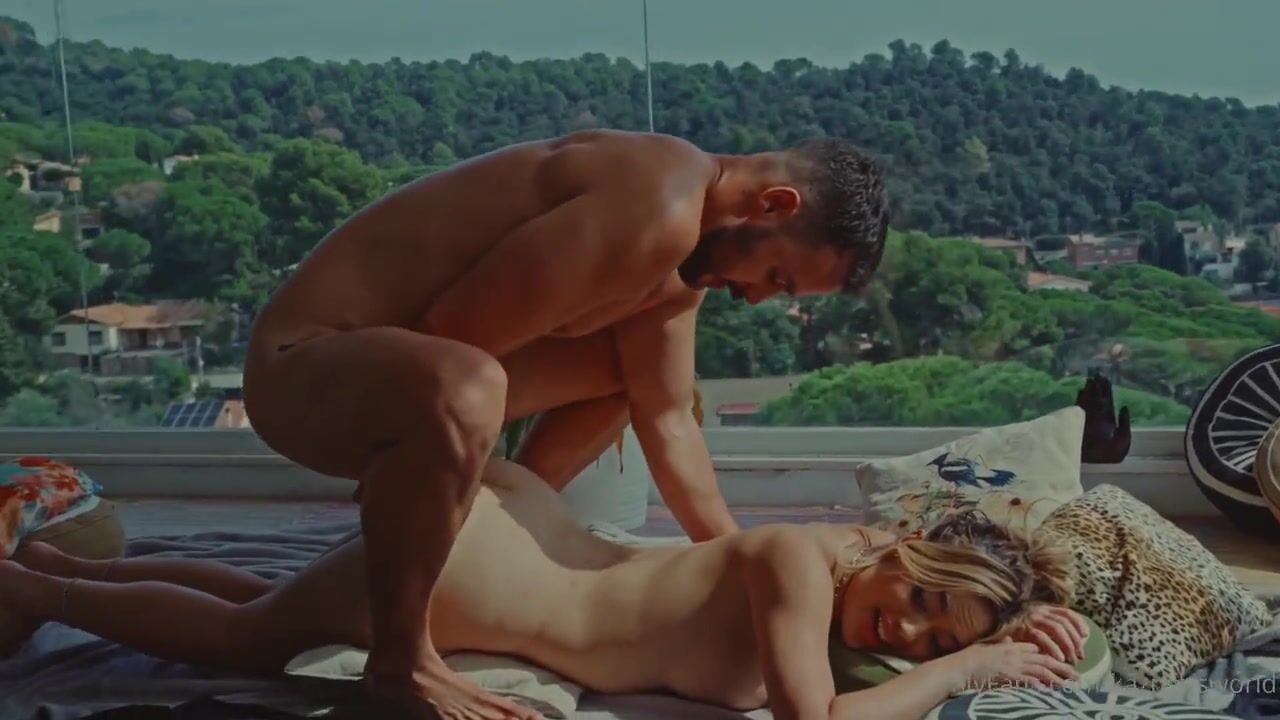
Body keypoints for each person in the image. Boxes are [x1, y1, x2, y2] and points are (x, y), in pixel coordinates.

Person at [239, 129, 891, 716]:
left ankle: (494, 526)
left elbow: (666, 416)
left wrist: (743, 564)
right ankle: (401, 659)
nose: (756, 297)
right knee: (471, 387)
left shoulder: (678, 265)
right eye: (777, 276)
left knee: (632, 375)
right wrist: (419, 512)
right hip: (304, 368)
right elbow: (451, 339)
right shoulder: (658, 203)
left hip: (410, 377)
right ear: (773, 204)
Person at [0, 459, 1085, 720]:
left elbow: (927, 606)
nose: (901, 634)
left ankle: (62, 568)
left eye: (925, 639)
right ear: (903, 554)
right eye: (920, 603)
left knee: (269, 597)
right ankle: (32, 593)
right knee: (248, 635)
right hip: (481, 572)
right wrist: (971, 665)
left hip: (511, 540)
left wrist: (1016, 617)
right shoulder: (799, 565)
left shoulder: (848, 575)